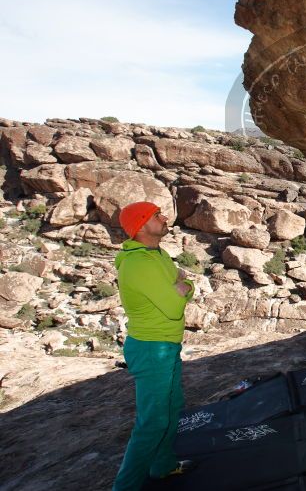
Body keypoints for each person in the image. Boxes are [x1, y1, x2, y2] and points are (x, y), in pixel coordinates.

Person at [112, 201, 196, 491]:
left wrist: (183, 288)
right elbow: (175, 305)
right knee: (151, 424)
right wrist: (181, 289)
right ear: (141, 225)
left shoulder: (157, 253)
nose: (163, 218)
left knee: (172, 409)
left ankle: (161, 466)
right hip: (151, 349)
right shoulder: (139, 265)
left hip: (166, 346)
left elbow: (184, 288)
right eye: (155, 215)